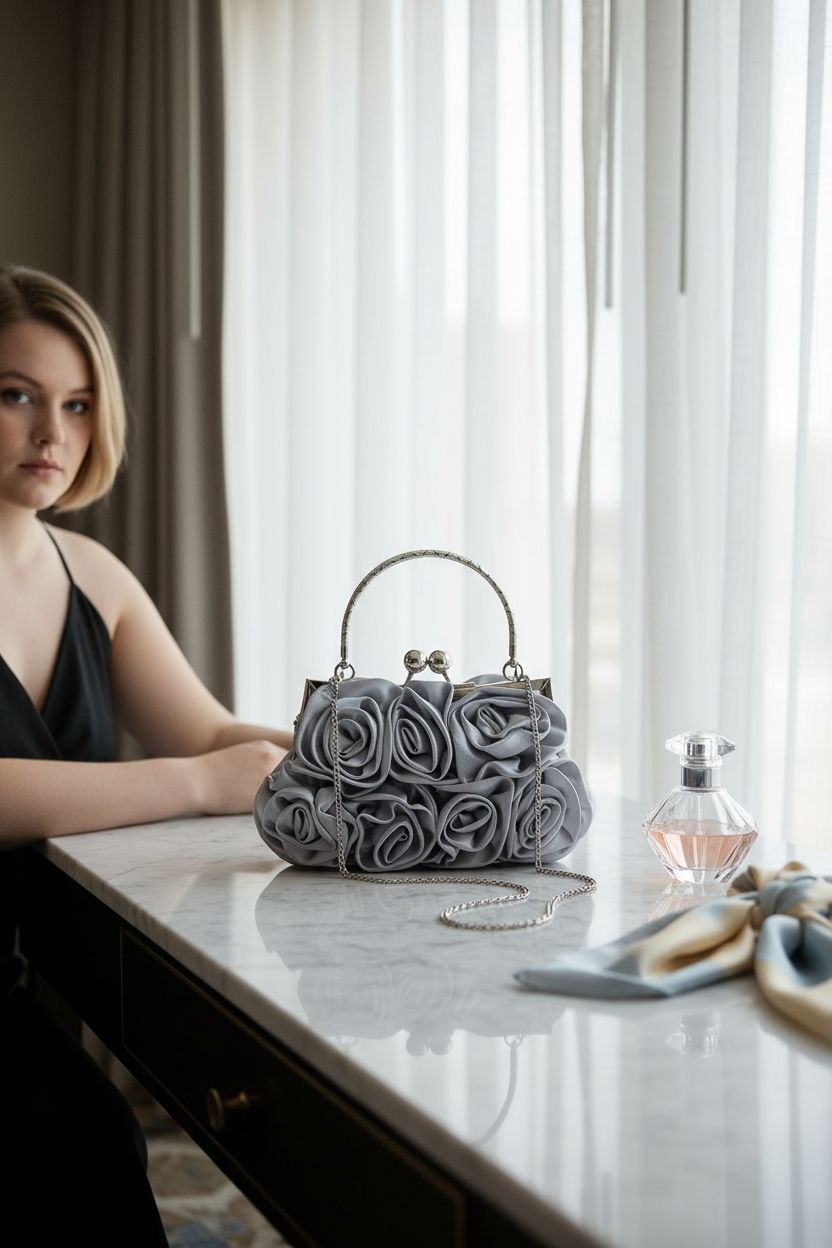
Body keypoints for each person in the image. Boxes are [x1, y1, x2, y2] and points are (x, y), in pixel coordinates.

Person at [0, 264, 290, 1245]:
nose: (53, 435)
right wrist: (201, 783)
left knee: (87, 1151)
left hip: (30, 967)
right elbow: (197, 769)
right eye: (17, 396)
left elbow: (206, 733)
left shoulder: (94, 576)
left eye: (77, 405)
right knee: (87, 1151)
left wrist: (339, 743)